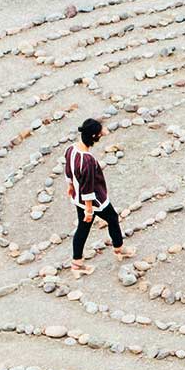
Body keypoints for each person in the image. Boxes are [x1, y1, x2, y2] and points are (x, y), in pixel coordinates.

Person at [63, 118, 131, 276]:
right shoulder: (87, 161)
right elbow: (88, 186)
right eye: (99, 134)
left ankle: (77, 263)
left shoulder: (71, 149)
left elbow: (68, 170)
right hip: (94, 201)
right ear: (94, 136)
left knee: (83, 228)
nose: (102, 135)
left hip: (78, 197)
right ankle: (119, 249)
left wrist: (70, 186)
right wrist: (88, 209)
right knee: (112, 218)